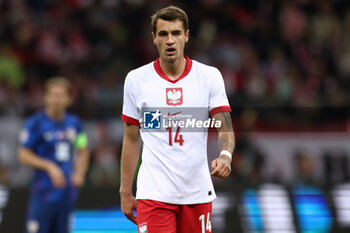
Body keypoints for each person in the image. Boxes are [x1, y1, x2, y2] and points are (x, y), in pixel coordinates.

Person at [120, 6, 234, 233]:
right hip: (153, 193)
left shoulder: (209, 77)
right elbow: (131, 139)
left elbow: (225, 127)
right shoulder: (136, 80)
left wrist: (225, 156)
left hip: (197, 193)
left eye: (176, 33)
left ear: (187, 36)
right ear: (154, 38)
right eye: (163, 34)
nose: (170, 40)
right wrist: (125, 191)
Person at [18, 77, 89, 233]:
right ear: (45, 98)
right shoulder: (35, 122)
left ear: (69, 99)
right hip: (43, 192)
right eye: (53, 95)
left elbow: (83, 149)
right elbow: (23, 154)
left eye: (61, 95)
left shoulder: (75, 123)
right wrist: (50, 167)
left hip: (67, 192)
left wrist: (80, 174)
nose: (57, 99)